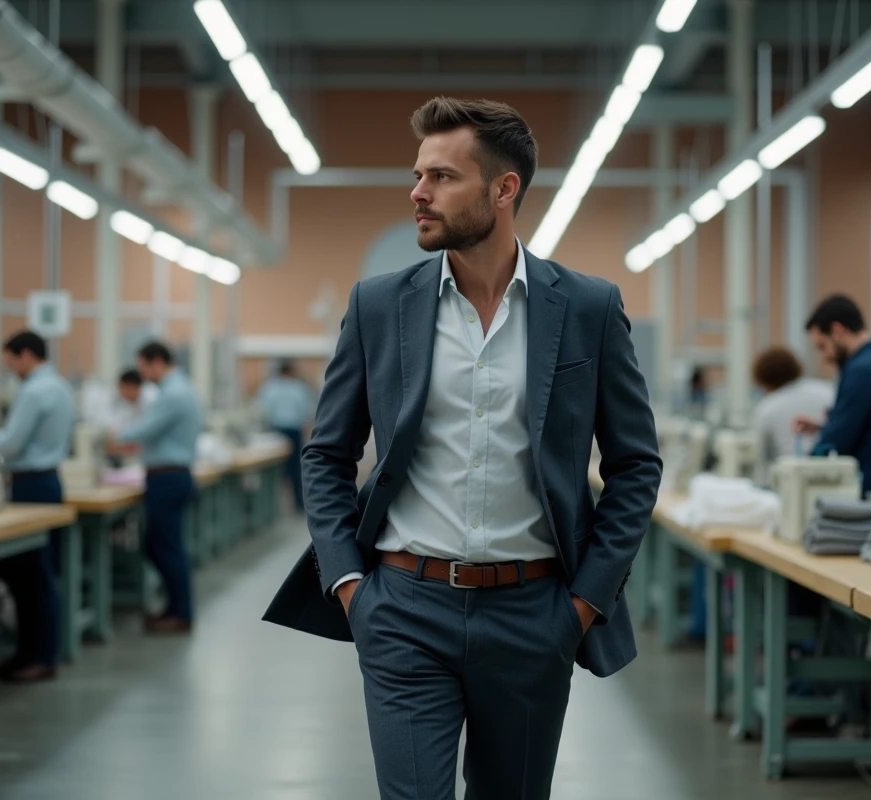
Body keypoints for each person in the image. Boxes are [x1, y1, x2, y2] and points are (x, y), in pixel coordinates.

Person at [264, 97, 662, 800]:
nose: (418, 193)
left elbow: (635, 465)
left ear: (503, 189)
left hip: (536, 614)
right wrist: (351, 588)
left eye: (442, 177)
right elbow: (326, 455)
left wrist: (583, 605)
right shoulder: (379, 305)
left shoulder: (588, 308)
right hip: (402, 610)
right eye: (418, 175)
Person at [0, 331, 75, 683]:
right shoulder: (60, 387)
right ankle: (34, 654)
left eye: (11, 360)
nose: (10, 368)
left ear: (25, 355)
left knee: (31, 578)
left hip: (30, 486)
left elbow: (9, 444)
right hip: (49, 481)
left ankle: (39, 657)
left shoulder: (33, 391)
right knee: (38, 576)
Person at [111, 342, 202, 634]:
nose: (142, 374)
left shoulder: (173, 393)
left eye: (143, 367)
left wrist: (110, 435)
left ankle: (181, 613)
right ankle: (174, 608)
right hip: (171, 476)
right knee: (160, 545)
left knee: (167, 548)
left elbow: (144, 429)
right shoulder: (178, 389)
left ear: (157, 362)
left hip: (167, 478)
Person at [794, 295, 871, 494]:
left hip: (869, 488)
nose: (824, 357)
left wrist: (804, 467)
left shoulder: (862, 372)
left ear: (837, 330)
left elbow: (836, 441)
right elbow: (868, 427)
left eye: (822, 346)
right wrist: (823, 426)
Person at [751, 346, 836, 464]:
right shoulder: (827, 391)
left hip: (789, 471)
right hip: (834, 467)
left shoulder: (767, 407)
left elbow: (759, 455)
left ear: (763, 378)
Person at [256, 360, 314, 512]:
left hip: (276, 430)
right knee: (296, 469)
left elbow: (262, 410)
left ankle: (273, 506)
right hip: (294, 431)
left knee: (275, 469)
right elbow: (306, 413)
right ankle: (298, 504)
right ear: (291, 371)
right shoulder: (299, 388)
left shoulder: (270, 388)